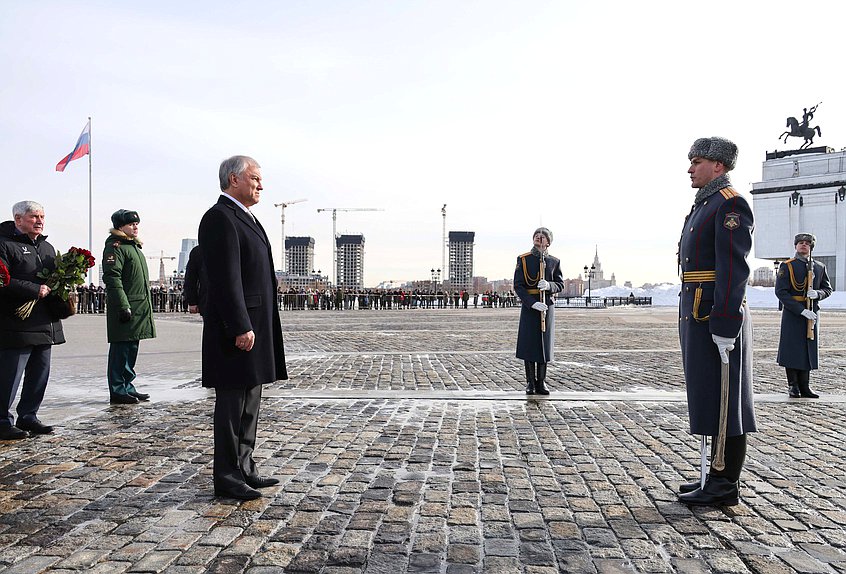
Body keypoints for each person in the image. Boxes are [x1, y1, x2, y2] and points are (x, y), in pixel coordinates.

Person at [199, 155, 287, 500]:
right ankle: (226, 475)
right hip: (236, 329)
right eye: (255, 178)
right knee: (232, 403)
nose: (261, 185)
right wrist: (239, 325)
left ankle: (245, 466)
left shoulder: (247, 217)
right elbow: (224, 279)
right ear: (234, 179)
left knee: (251, 400)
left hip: (256, 325)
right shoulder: (219, 217)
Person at [677, 137, 756, 507]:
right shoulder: (705, 204)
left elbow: (733, 270)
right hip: (697, 311)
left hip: (715, 315)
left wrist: (726, 324)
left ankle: (725, 484)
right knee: (709, 395)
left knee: (727, 398)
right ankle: (713, 472)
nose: (690, 167)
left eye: (697, 161)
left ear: (718, 167)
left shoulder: (730, 203)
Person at [0, 201, 65, 439]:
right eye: (34, 216)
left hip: (44, 322)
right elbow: (1, 281)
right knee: (9, 375)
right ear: (18, 219)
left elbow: (54, 280)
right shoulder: (4, 244)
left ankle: (28, 416)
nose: (39, 221)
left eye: (42, 216)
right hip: (15, 323)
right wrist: (33, 290)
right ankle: (1, 420)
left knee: (40, 373)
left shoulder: (47, 247)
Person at [102, 209, 156, 405]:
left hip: (139, 307)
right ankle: (117, 389)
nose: (135, 227)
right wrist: (123, 305)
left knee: (131, 348)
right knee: (121, 350)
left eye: (136, 224)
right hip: (126, 307)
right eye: (131, 224)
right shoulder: (116, 247)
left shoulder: (133, 247)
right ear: (119, 227)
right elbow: (112, 278)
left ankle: (127, 386)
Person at [775, 233, 832, 398]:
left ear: (811, 247)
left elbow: (827, 289)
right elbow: (781, 292)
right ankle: (793, 386)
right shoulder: (787, 266)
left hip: (812, 312)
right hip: (793, 313)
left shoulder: (819, 267)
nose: (803, 245)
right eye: (800, 243)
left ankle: (805, 386)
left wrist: (818, 294)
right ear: (795, 246)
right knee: (792, 349)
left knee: (807, 349)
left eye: (807, 243)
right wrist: (800, 310)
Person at [514, 227, 564, 395]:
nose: (539, 238)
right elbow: (518, 286)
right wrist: (531, 303)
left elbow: (560, 284)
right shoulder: (523, 259)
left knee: (543, 345)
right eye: (536, 236)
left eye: (542, 237)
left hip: (547, 307)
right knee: (529, 345)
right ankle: (530, 383)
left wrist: (549, 286)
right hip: (531, 307)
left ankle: (541, 382)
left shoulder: (554, 262)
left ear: (548, 242)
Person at [183, 244, 205, 315]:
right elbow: (190, 278)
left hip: (208, 300)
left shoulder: (198, 251)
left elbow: (190, 278)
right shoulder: (235, 246)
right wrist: (192, 301)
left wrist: (192, 301)